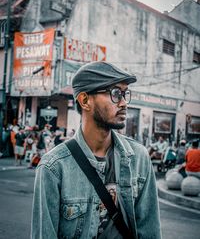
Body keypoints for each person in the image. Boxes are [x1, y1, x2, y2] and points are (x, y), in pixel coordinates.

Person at [31, 61, 162, 239]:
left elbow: (150, 232)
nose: (124, 103)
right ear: (85, 100)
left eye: (125, 94)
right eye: (116, 93)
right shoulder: (53, 168)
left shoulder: (138, 158)